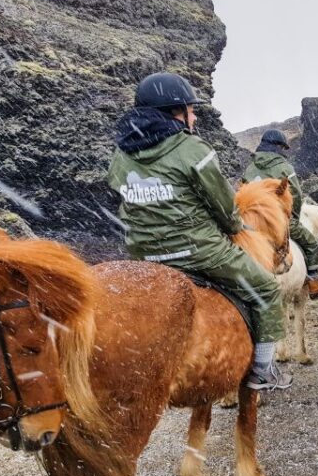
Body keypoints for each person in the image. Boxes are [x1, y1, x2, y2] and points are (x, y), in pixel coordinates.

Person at [107, 71, 291, 390]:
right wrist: (235, 227)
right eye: (190, 109)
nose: (193, 116)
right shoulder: (191, 148)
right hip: (197, 251)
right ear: (173, 113)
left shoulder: (122, 155)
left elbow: (119, 198)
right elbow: (224, 207)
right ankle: (262, 371)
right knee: (265, 289)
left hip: (143, 254)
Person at [241, 129, 318, 298]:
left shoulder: (250, 168)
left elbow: (243, 192)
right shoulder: (285, 167)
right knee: (310, 242)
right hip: (278, 219)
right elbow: (295, 194)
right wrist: (292, 216)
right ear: (279, 147)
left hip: (252, 222)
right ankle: (314, 280)